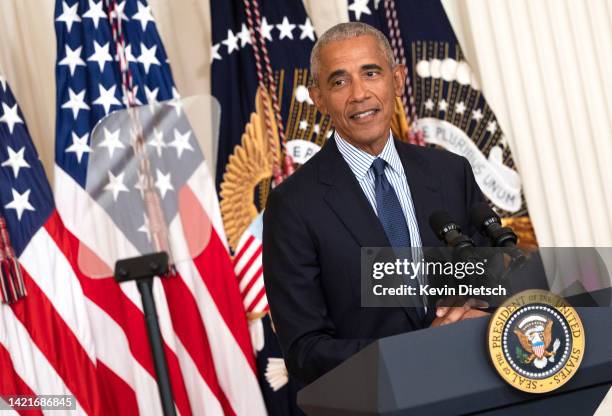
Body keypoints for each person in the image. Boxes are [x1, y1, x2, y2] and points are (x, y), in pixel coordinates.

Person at [263, 22, 488, 384]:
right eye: (339, 82)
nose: (359, 94)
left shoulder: (450, 173)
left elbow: (490, 287)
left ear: (397, 81)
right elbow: (305, 350)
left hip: (475, 385)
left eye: (371, 73)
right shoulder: (292, 206)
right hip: (379, 399)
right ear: (318, 97)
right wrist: (418, 349)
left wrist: (486, 316)